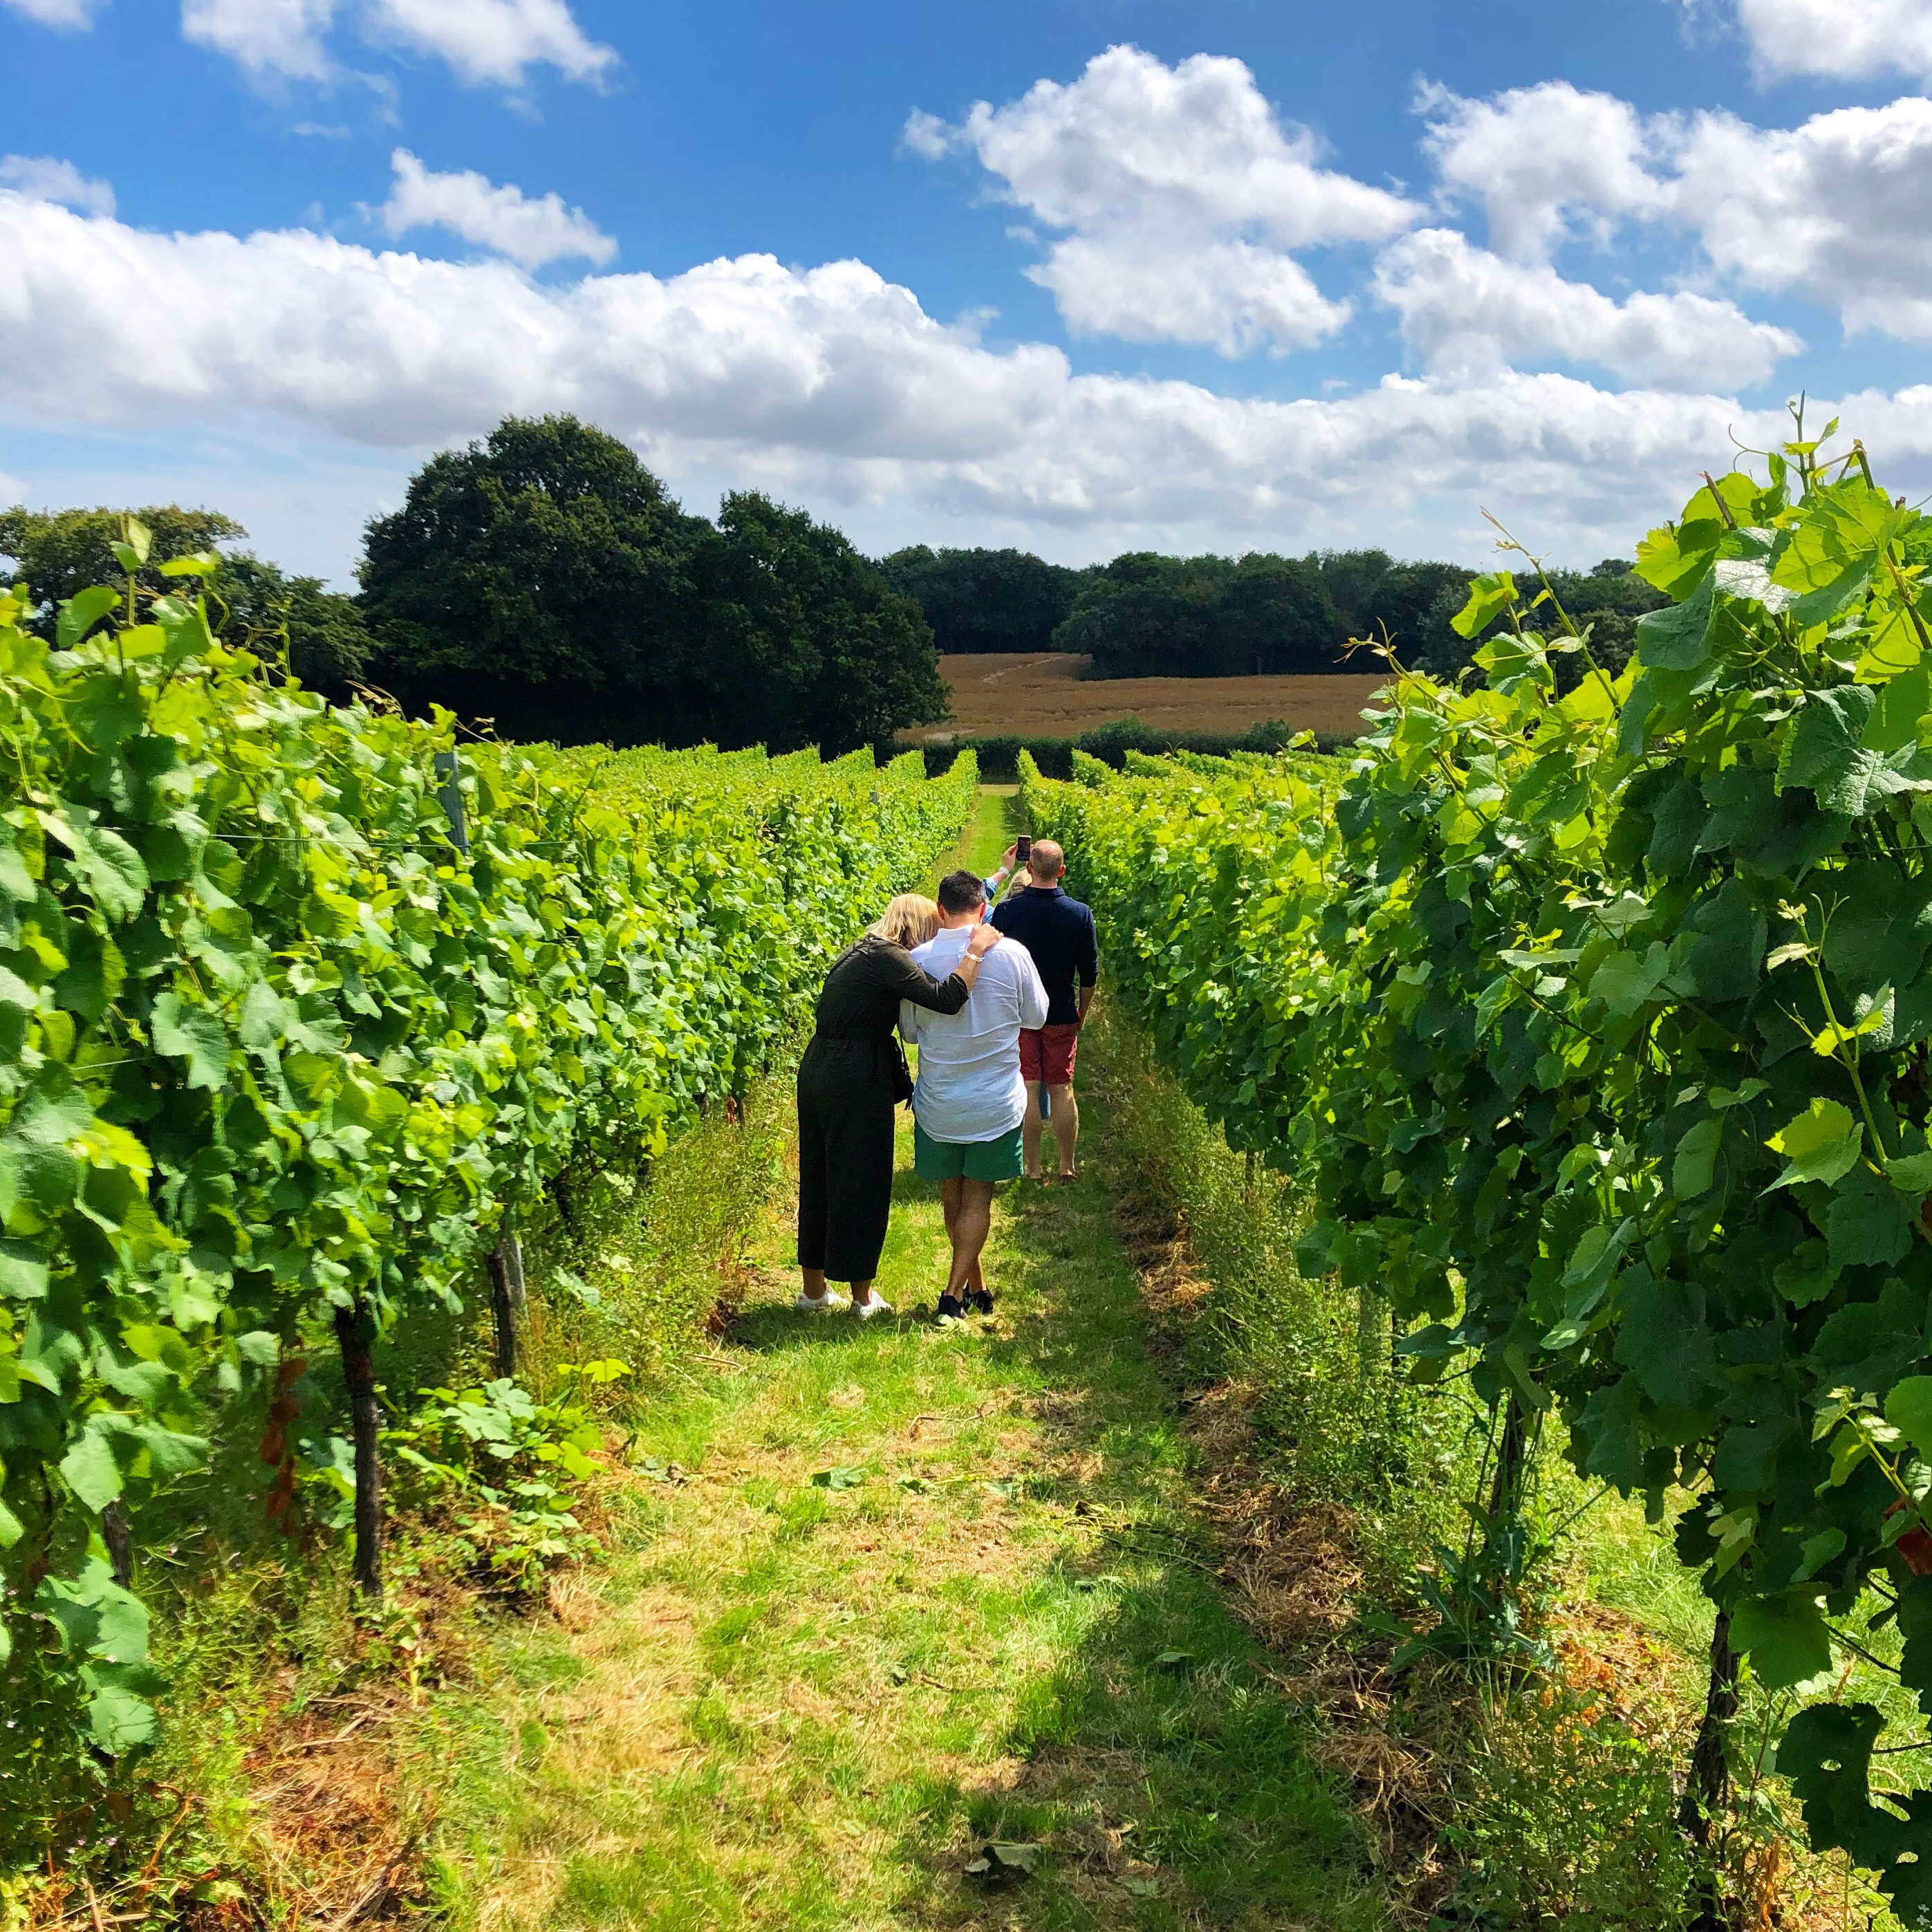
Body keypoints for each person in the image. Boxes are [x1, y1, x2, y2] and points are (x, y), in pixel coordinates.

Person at [796, 893, 1002, 1319]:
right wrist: (976, 951)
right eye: (933, 930)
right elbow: (946, 999)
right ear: (916, 927)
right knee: (863, 1179)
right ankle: (863, 1297)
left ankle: (814, 1293)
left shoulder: (861, 949)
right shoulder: (890, 958)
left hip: (819, 1065)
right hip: (855, 1074)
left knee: (820, 1174)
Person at [901, 871, 1048, 1320]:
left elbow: (909, 1034)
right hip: (994, 1104)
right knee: (978, 1199)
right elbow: (1038, 1018)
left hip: (939, 1105)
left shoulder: (917, 959)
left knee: (953, 1197)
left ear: (940, 910)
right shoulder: (1014, 954)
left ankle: (975, 1286)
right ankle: (952, 1295)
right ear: (983, 908)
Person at [990, 839, 1098, 1182]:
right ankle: (1067, 1166)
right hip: (1061, 1012)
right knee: (1062, 1088)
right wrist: (1082, 1010)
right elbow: (1089, 973)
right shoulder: (1080, 914)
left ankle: (1032, 1168)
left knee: (1029, 1088)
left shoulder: (1009, 912)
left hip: (1021, 1014)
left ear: (1030, 870)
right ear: (1062, 871)